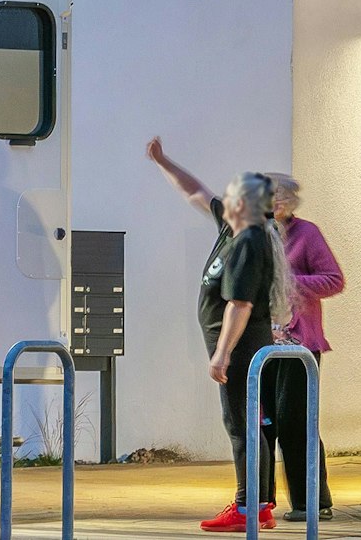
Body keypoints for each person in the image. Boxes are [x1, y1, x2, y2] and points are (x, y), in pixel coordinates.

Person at [146, 138, 295, 533]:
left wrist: (222, 353)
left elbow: (240, 304)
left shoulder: (249, 240)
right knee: (249, 423)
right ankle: (260, 504)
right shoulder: (233, 227)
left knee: (241, 424)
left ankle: (248, 507)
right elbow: (194, 190)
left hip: (242, 346)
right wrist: (163, 161)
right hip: (237, 345)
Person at [266, 174, 342, 522]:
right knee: (265, 423)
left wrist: (290, 281)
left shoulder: (307, 234)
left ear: (292, 201)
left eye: (281, 196)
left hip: (299, 345)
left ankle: (313, 502)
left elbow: (334, 279)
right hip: (263, 347)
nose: (275, 202)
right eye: (269, 196)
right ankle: (259, 503)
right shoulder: (256, 235)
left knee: (296, 422)